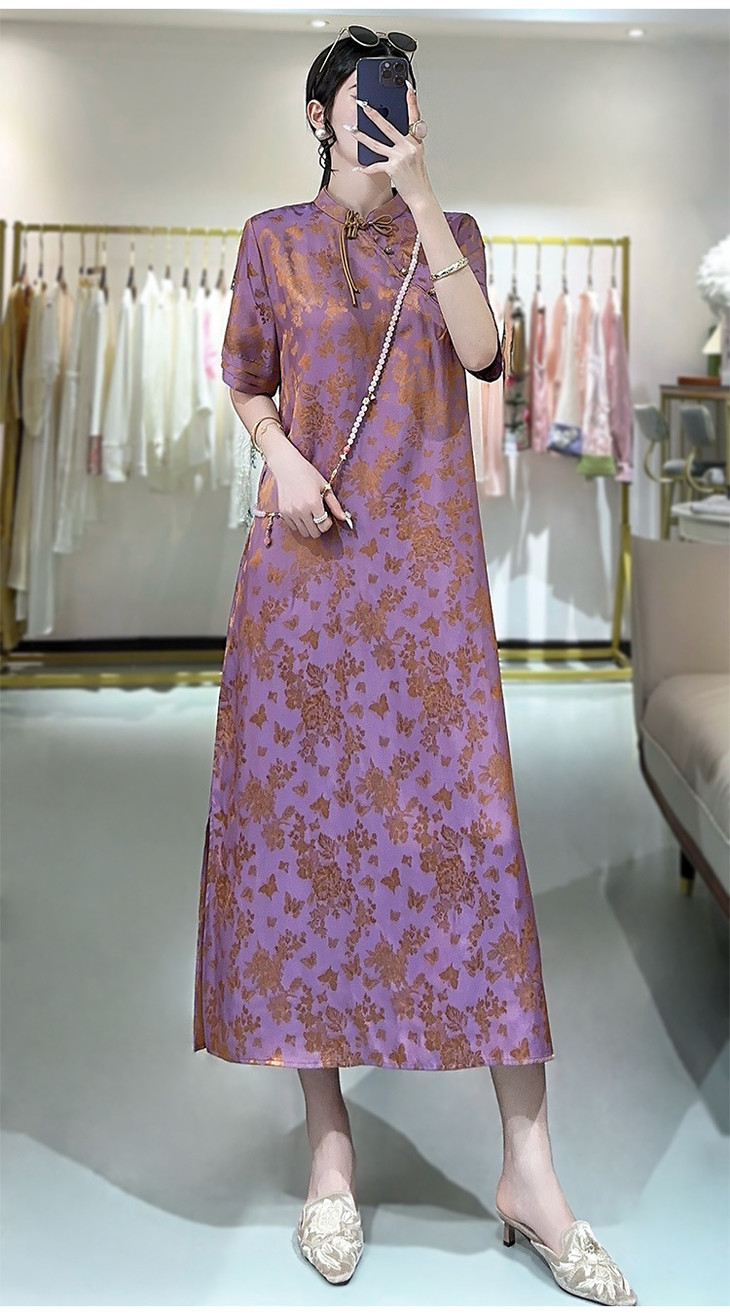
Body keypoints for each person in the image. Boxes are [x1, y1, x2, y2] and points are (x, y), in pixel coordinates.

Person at [193, 26, 636, 1305]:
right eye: (362, 98)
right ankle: (329, 1152)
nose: (383, 115)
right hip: (302, 586)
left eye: (401, 98)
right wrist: (278, 455)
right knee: (304, 852)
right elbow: (247, 377)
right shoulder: (271, 239)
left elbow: (485, 353)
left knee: (474, 848)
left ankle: (529, 1171)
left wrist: (427, 198)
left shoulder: (456, 234)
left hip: (428, 593)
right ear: (319, 115)